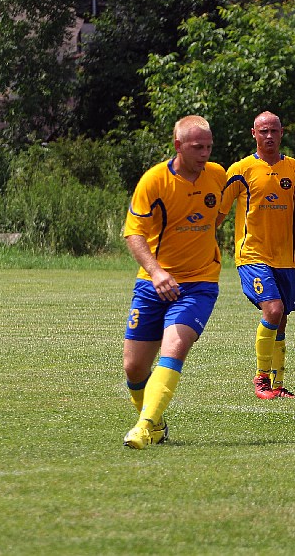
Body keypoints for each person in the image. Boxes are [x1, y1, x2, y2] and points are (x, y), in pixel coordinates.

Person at [121, 116, 227, 448]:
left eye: (209, 146)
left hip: (199, 284)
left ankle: (145, 426)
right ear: (178, 145)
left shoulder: (218, 176)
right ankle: (157, 423)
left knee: (176, 346)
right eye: (198, 147)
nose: (205, 153)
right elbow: (133, 232)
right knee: (135, 368)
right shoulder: (153, 181)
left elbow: (217, 216)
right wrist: (156, 272)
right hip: (153, 284)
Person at [217, 111, 295, 399]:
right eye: (263, 131)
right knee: (273, 310)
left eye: (274, 131)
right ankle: (261, 380)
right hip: (252, 255)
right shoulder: (240, 169)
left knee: (282, 317)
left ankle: (278, 384)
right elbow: (219, 212)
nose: (269, 136)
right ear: (253, 133)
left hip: (286, 258)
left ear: (282, 133)